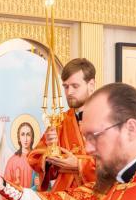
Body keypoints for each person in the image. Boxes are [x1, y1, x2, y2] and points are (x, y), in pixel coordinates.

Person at [28, 57, 98, 191]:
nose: (69, 92)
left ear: (91, 85)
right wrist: (49, 151)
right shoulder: (60, 121)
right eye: (65, 86)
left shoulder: (109, 118)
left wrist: (79, 165)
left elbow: (119, 163)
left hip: (98, 194)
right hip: (63, 194)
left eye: (75, 86)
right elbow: (34, 157)